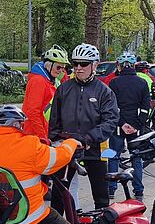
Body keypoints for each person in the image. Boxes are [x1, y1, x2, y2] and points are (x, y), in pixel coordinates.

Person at [49, 43, 120, 209]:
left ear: (94, 65)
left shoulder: (104, 91)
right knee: (58, 197)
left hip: (94, 148)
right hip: (67, 148)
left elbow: (110, 121)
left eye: (84, 64)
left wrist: (88, 138)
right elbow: (54, 120)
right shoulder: (64, 89)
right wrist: (55, 139)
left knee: (101, 197)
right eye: (75, 64)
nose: (78, 68)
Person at [107, 51, 150, 201]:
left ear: (119, 66)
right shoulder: (142, 83)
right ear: (133, 66)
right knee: (136, 158)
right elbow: (145, 108)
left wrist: (121, 124)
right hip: (135, 127)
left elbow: (110, 107)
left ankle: (111, 190)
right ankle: (138, 190)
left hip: (118, 126)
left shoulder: (113, 83)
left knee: (113, 157)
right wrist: (137, 125)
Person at [22, 44, 70, 141]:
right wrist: (42, 136)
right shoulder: (38, 81)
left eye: (63, 68)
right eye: (58, 67)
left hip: (42, 132)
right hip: (34, 134)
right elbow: (33, 112)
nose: (61, 71)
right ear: (49, 65)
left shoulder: (49, 80)